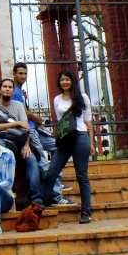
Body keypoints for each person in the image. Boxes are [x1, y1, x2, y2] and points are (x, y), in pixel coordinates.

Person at [13, 63, 72, 205]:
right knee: (43, 162)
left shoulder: (21, 91)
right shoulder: (14, 91)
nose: (23, 76)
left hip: (35, 129)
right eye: (20, 73)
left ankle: (56, 179)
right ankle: (56, 196)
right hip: (29, 130)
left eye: (25, 73)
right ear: (14, 74)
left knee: (59, 146)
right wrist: (36, 118)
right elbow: (20, 110)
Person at [42, 69, 94, 224]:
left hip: (80, 137)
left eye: (67, 79)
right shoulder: (57, 99)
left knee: (81, 176)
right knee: (51, 173)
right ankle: (43, 206)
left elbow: (88, 122)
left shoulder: (82, 97)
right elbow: (60, 122)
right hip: (64, 140)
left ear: (73, 81)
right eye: (62, 79)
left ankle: (86, 212)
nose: (64, 82)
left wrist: (91, 143)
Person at [0, 79, 44, 209]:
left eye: (10, 87)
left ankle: (37, 199)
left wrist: (26, 145)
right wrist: (16, 123)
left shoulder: (18, 105)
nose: (7, 89)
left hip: (20, 141)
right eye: (5, 87)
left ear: (13, 91)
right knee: (2, 152)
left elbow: (26, 128)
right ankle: (4, 193)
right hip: (3, 140)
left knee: (31, 159)